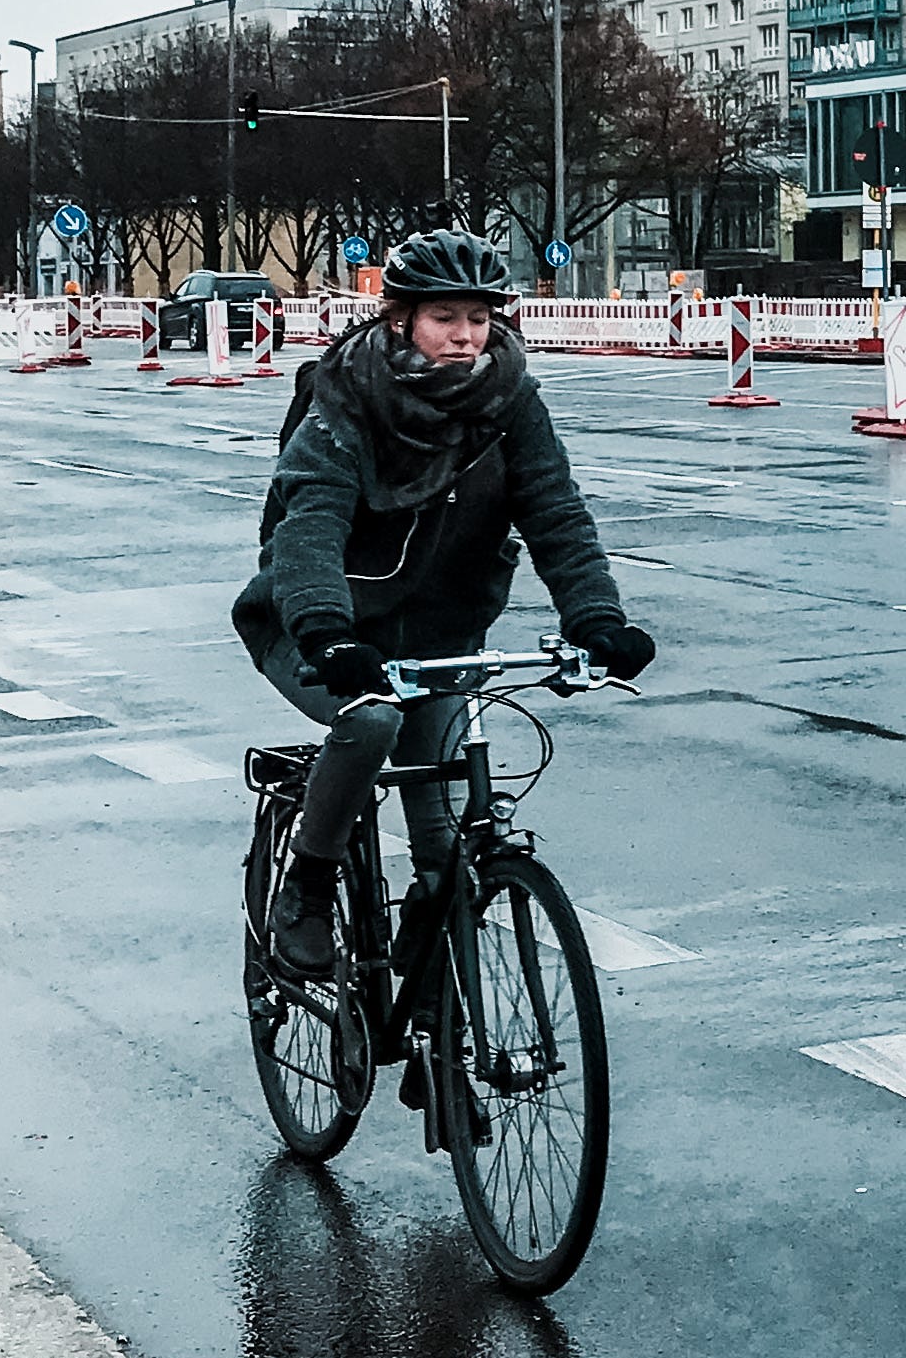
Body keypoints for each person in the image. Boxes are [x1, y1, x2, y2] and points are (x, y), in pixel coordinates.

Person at [232, 228, 654, 978]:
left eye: (479, 318)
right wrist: (327, 631)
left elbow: (556, 512)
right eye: (445, 317)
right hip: (319, 631)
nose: (465, 336)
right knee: (372, 720)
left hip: (440, 637)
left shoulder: (510, 400)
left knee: (446, 850)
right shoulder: (346, 396)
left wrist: (596, 619)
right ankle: (308, 887)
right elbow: (310, 525)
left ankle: (435, 1013)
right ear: (401, 319)